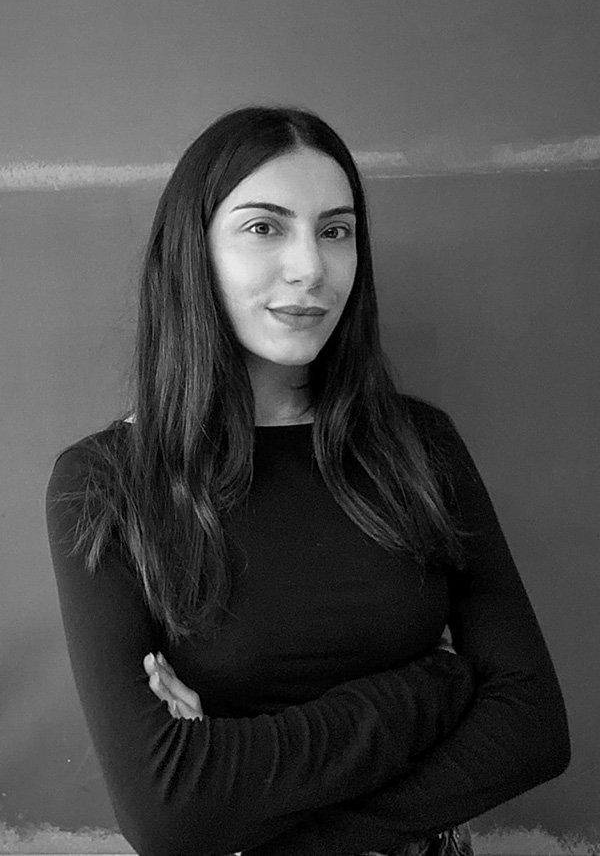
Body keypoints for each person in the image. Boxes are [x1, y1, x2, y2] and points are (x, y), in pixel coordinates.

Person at [45, 104, 570, 856]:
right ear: (194, 252)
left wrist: (268, 813)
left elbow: (533, 729)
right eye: (265, 227)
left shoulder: (419, 445)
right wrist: (434, 689)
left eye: (336, 230)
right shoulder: (104, 484)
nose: (311, 268)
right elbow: (169, 811)